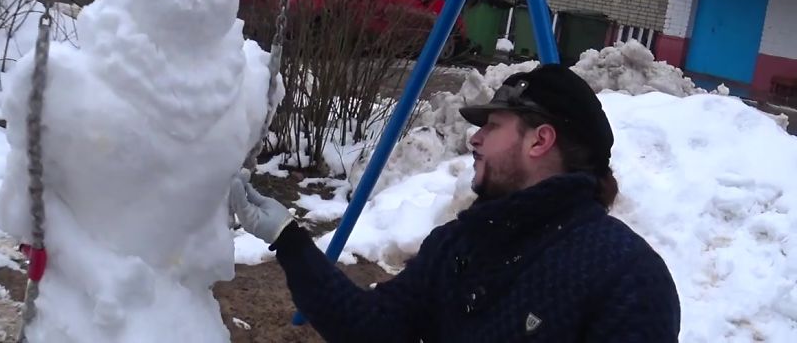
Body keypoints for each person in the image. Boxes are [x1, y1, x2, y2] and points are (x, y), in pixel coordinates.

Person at [230, 63, 681, 342]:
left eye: (493, 126)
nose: (474, 139)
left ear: (540, 141)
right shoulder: (460, 244)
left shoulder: (625, 275)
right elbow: (373, 328)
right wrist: (288, 239)